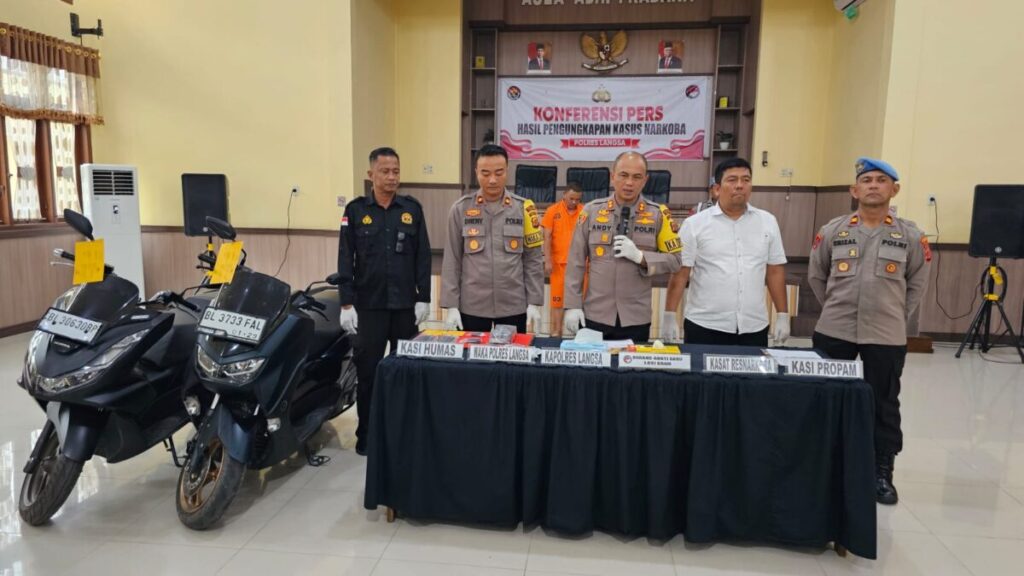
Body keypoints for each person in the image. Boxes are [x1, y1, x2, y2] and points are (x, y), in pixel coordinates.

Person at [808, 157, 931, 505]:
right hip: (835, 329)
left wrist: (893, 315)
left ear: (895, 189)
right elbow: (817, 276)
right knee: (828, 398)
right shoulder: (833, 230)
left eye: (881, 180)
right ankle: (825, 468)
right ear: (854, 189)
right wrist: (836, 307)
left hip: (885, 334)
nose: (873, 185)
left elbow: (916, 284)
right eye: (866, 180)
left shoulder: (910, 236)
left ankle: (881, 472)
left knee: (883, 403)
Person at [338, 147, 431, 456]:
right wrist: (346, 303)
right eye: (385, 171)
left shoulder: (412, 209)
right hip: (370, 306)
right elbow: (345, 257)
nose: (392, 177)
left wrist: (424, 297)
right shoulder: (355, 211)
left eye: (396, 171)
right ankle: (367, 435)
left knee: (406, 371)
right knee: (369, 374)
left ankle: (404, 432)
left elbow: (423, 255)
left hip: (405, 307)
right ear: (371, 175)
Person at [662, 157, 789, 346]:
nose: (740, 185)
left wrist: (783, 315)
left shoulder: (768, 221)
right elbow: (681, 273)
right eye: (732, 180)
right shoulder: (695, 224)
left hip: (753, 326)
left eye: (746, 180)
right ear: (717, 189)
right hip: (704, 326)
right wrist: (669, 315)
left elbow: (775, 271)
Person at [563, 151, 681, 342]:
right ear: (612, 176)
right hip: (595, 314)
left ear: (645, 180)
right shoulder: (591, 211)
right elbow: (575, 262)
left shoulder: (659, 215)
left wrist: (641, 257)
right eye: (623, 175)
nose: (629, 183)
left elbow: (675, 261)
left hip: (636, 318)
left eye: (637, 177)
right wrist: (572, 305)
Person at [441, 144, 544, 333]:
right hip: (472, 307)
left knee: (512, 352)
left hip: (513, 305)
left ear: (507, 170)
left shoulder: (524, 208)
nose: (493, 180)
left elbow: (533, 260)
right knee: (473, 352)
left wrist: (534, 302)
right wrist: (451, 305)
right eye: (485, 173)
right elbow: (452, 260)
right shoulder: (460, 209)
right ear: (476, 172)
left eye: (499, 172)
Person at [542, 181, 584, 336]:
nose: (574, 202)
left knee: (579, 301)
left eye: (577, 199)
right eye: (571, 198)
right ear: (564, 195)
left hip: (580, 265)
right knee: (557, 301)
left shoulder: (585, 212)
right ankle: (556, 332)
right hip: (559, 265)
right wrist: (547, 260)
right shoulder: (552, 211)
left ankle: (580, 336)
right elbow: (547, 236)